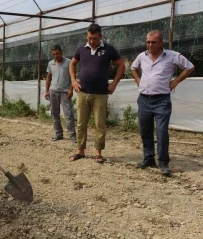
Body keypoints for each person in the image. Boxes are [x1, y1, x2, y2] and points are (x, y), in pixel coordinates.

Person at [131, 30, 194, 175]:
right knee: (145, 130)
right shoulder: (142, 56)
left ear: (161, 43)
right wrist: (138, 81)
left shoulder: (172, 56)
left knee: (161, 131)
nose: (150, 45)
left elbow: (189, 67)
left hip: (162, 101)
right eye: (148, 42)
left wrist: (176, 81)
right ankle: (148, 158)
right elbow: (133, 68)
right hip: (144, 99)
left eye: (153, 42)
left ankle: (163, 162)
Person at [68, 23, 125, 163]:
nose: (91, 41)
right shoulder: (82, 49)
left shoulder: (109, 49)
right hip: (83, 93)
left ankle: (98, 152)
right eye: (89, 38)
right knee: (81, 123)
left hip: (100, 94)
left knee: (100, 124)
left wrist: (114, 84)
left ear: (100, 36)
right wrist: (74, 81)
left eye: (94, 38)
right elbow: (72, 64)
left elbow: (121, 65)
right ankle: (80, 150)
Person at [45, 45, 76, 143]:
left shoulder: (69, 62)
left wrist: (71, 89)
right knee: (55, 114)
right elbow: (48, 77)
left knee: (68, 114)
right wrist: (46, 91)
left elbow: (73, 77)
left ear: (61, 52)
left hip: (65, 92)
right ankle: (58, 134)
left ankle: (73, 135)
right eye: (53, 54)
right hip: (53, 92)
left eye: (57, 53)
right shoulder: (51, 64)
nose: (55, 56)